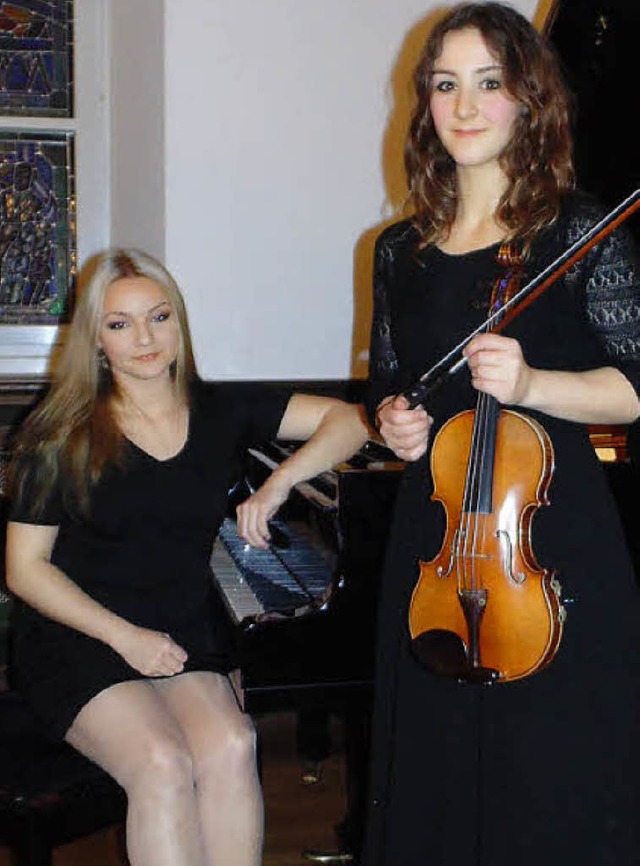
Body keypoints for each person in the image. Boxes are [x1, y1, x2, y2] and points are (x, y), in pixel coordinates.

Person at [362, 3, 640, 865]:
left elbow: (634, 388)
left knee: (549, 779)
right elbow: (391, 387)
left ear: (529, 101)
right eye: (447, 84)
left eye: (490, 82)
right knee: (439, 780)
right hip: (437, 546)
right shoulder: (397, 250)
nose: (466, 104)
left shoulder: (582, 232)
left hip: (549, 546)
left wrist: (533, 385)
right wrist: (396, 424)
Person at [4, 248, 370, 866]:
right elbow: (24, 569)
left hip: (177, 626)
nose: (144, 338)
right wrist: (125, 638)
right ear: (97, 341)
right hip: (78, 634)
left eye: (159, 317)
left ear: (180, 324)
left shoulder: (221, 412)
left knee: (232, 742)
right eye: (120, 325)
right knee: (163, 763)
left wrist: (281, 482)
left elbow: (351, 420)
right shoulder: (58, 434)